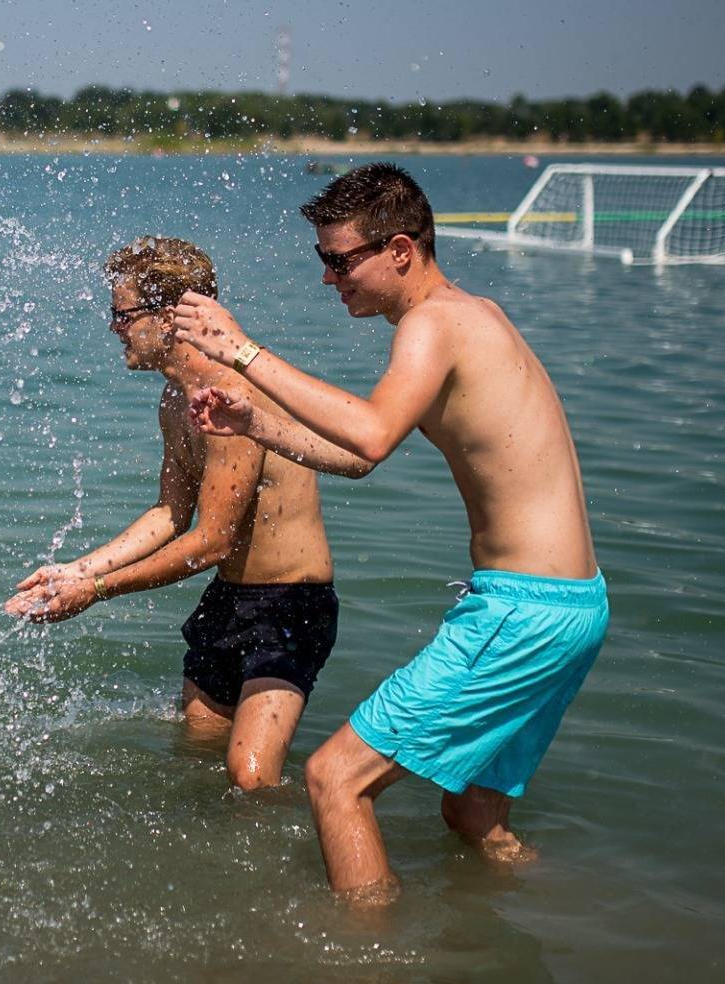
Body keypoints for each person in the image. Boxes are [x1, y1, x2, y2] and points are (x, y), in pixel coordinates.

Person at [170, 163, 608, 903]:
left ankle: (368, 961)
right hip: (571, 606)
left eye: (340, 261)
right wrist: (257, 423)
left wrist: (241, 352)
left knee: (335, 779)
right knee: (473, 816)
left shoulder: (435, 323)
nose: (328, 279)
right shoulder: (473, 316)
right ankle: (588, 909)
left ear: (400, 250)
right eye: (322, 262)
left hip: (522, 610)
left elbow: (370, 435)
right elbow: (356, 457)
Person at [4, 237, 338, 790]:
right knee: (199, 755)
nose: (113, 327)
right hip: (229, 600)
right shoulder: (175, 400)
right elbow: (168, 514)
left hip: (289, 604)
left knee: (251, 777)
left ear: (167, 317)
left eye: (122, 314)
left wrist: (99, 592)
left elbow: (211, 541)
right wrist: (77, 571)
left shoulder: (230, 395)